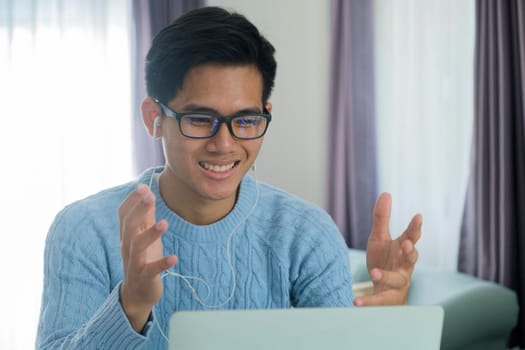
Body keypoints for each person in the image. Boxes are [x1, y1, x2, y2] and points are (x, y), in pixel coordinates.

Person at [36, 6, 421, 349]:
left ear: (264, 113)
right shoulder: (84, 229)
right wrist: (131, 304)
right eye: (200, 119)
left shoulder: (306, 233)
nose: (225, 144)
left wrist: (388, 323)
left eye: (245, 120)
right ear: (154, 119)